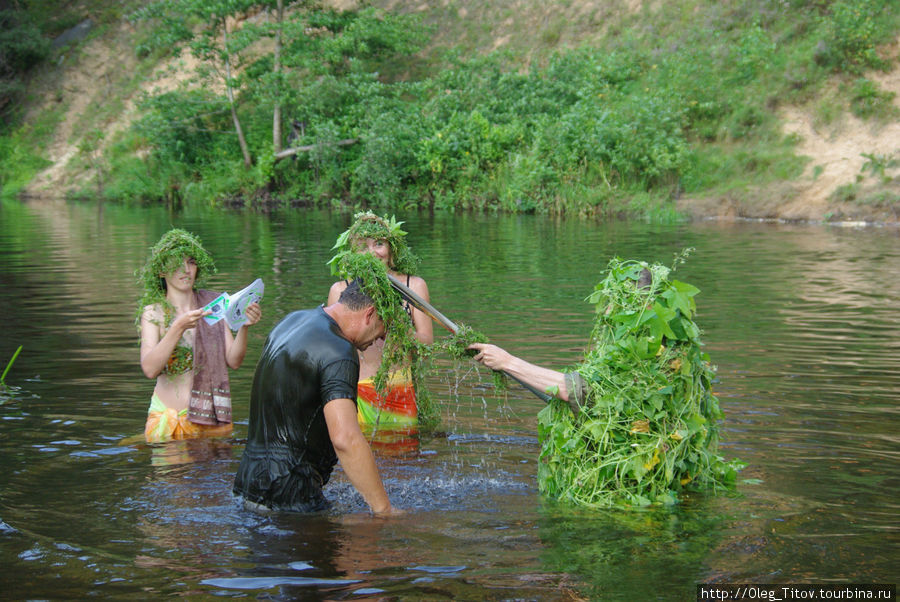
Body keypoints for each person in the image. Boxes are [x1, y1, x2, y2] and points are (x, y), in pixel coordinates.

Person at [232, 280, 402, 515]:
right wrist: (384, 509)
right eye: (383, 329)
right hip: (291, 494)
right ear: (370, 314)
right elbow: (346, 439)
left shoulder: (291, 321)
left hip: (247, 483)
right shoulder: (339, 350)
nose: (380, 339)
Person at [137, 229, 261, 443]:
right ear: (160, 271)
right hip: (169, 422)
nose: (185, 270)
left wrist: (244, 326)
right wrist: (178, 328)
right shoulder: (153, 313)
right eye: (176, 263)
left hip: (211, 419)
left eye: (191, 262)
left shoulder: (213, 306)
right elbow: (149, 369)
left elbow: (234, 360)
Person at [327, 212, 433, 429]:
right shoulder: (340, 290)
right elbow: (332, 351)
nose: (372, 252)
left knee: (404, 457)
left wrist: (397, 326)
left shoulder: (414, 286)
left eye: (379, 244)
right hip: (355, 391)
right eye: (363, 245)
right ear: (352, 253)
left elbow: (427, 344)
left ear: (391, 250)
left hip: (400, 388)